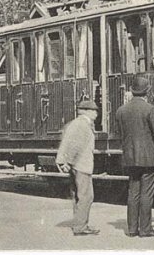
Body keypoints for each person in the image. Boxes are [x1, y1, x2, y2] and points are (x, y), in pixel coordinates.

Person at [115, 75, 154, 237]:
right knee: (147, 193)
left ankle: (132, 229)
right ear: (147, 91)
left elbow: (121, 135)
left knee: (133, 193)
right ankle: (145, 229)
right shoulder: (150, 109)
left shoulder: (121, 110)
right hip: (149, 159)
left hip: (130, 159)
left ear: (132, 91)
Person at [56, 100, 100, 236]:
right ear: (86, 111)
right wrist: (68, 162)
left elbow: (66, 142)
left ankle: (79, 224)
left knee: (78, 195)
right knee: (86, 196)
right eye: (94, 111)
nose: (96, 114)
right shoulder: (82, 125)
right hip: (81, 165)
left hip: (76, 164)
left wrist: (64, 161)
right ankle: (81, 227)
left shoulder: (75, 123)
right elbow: (76, 146)